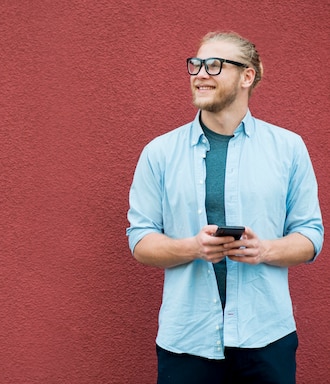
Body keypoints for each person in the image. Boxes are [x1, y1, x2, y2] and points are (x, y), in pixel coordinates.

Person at [126, 31, 323, 384]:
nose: (200, 74)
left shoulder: (289, 148)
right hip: (186, 341)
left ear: (247, 76)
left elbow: (311, 235)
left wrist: (264, 249)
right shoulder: (159, 153)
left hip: (267, 338)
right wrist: (192, 247)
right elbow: (140, 241)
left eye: (215, 65)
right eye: (196, 65)